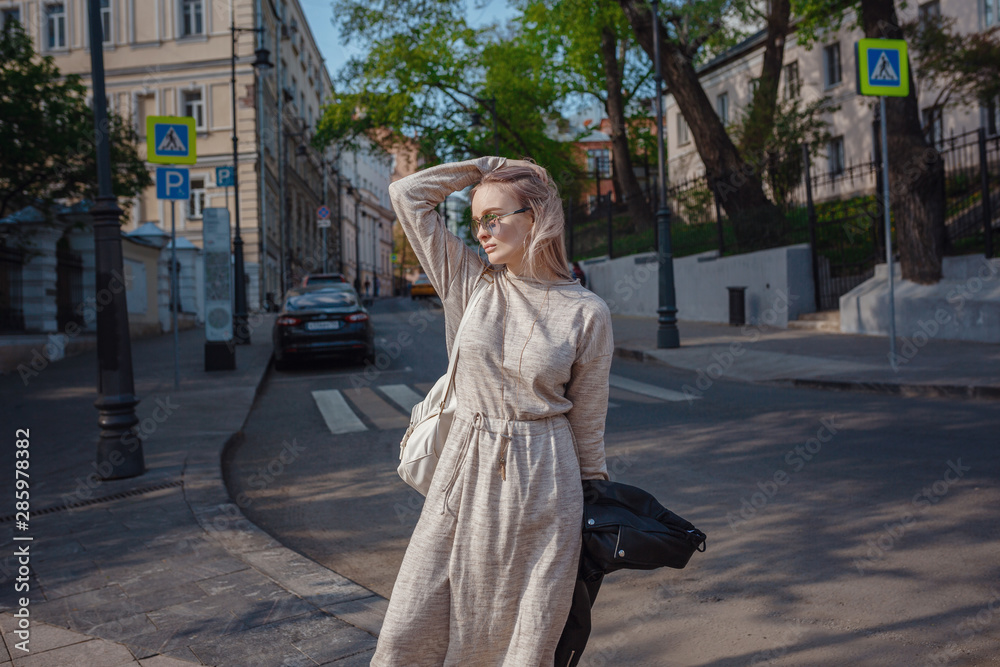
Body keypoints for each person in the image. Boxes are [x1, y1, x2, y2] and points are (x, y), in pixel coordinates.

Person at [371, 157, 613, 666]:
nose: (481, 231)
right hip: (465, 470)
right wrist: (488, 166)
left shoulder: (587, 311)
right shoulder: (472, 284)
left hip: (547, 481)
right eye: (476, 220)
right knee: (408, 631)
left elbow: (588, 425)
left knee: (524, 640)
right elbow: (407, 195)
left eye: (493, 217)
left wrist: (595, 504)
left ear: (537, 216)